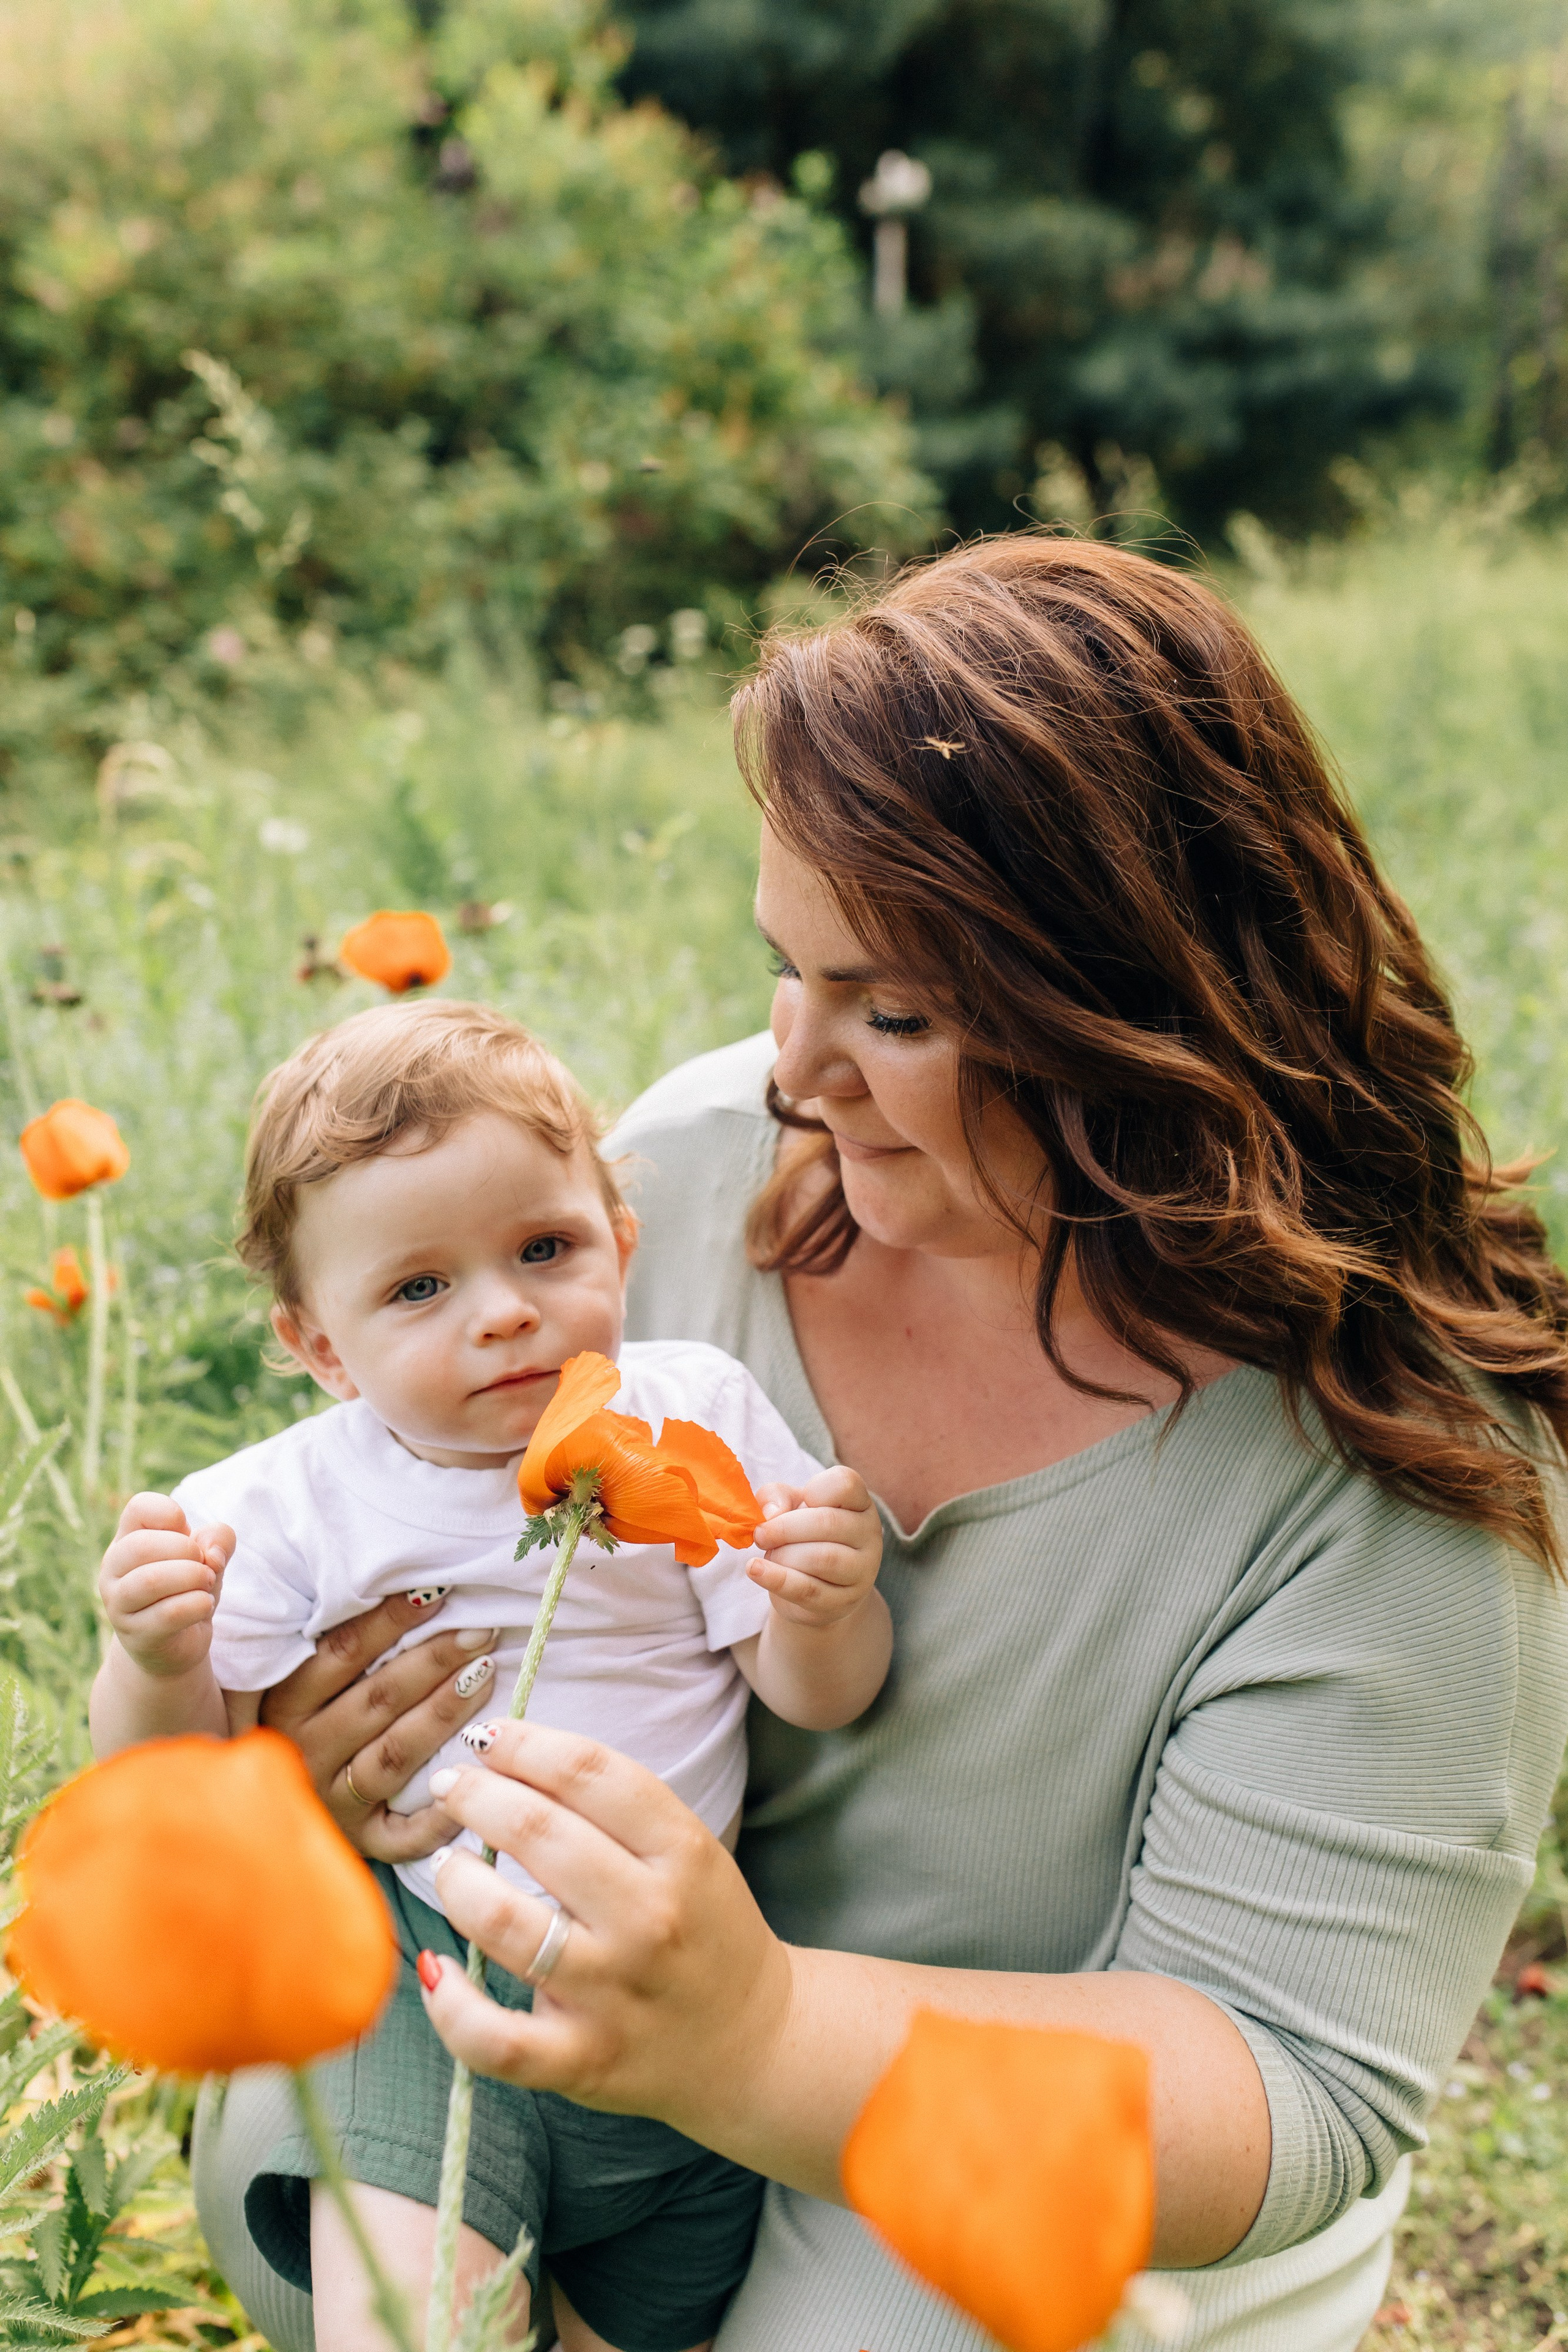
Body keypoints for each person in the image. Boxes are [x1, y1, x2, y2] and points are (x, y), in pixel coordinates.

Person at [195, 536, 1568, 2352]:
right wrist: (326, 1732)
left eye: (896, 1013)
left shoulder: (1402, 1468)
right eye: (790, 969)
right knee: (325, 2172)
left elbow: (1287, 2079)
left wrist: (754, 2035)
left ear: (1148, 1019)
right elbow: (387, 1492)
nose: (795, 1070)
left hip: (1030, 2132)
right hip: (608, 2078)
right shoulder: (691, 1180)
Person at [94, 999, 889, 2352]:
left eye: (545, 1248)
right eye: (420, 1288)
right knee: (422, 2321)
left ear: (620, 1245)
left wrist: (824, 1600)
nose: (506, 1313)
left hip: (671, 1981)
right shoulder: (286, 1508)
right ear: (319, 1349)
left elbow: (814, 1693)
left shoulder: (686, 1414)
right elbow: (177, 1788)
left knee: (656, 2329)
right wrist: (157, 1653)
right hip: (422, 1978)